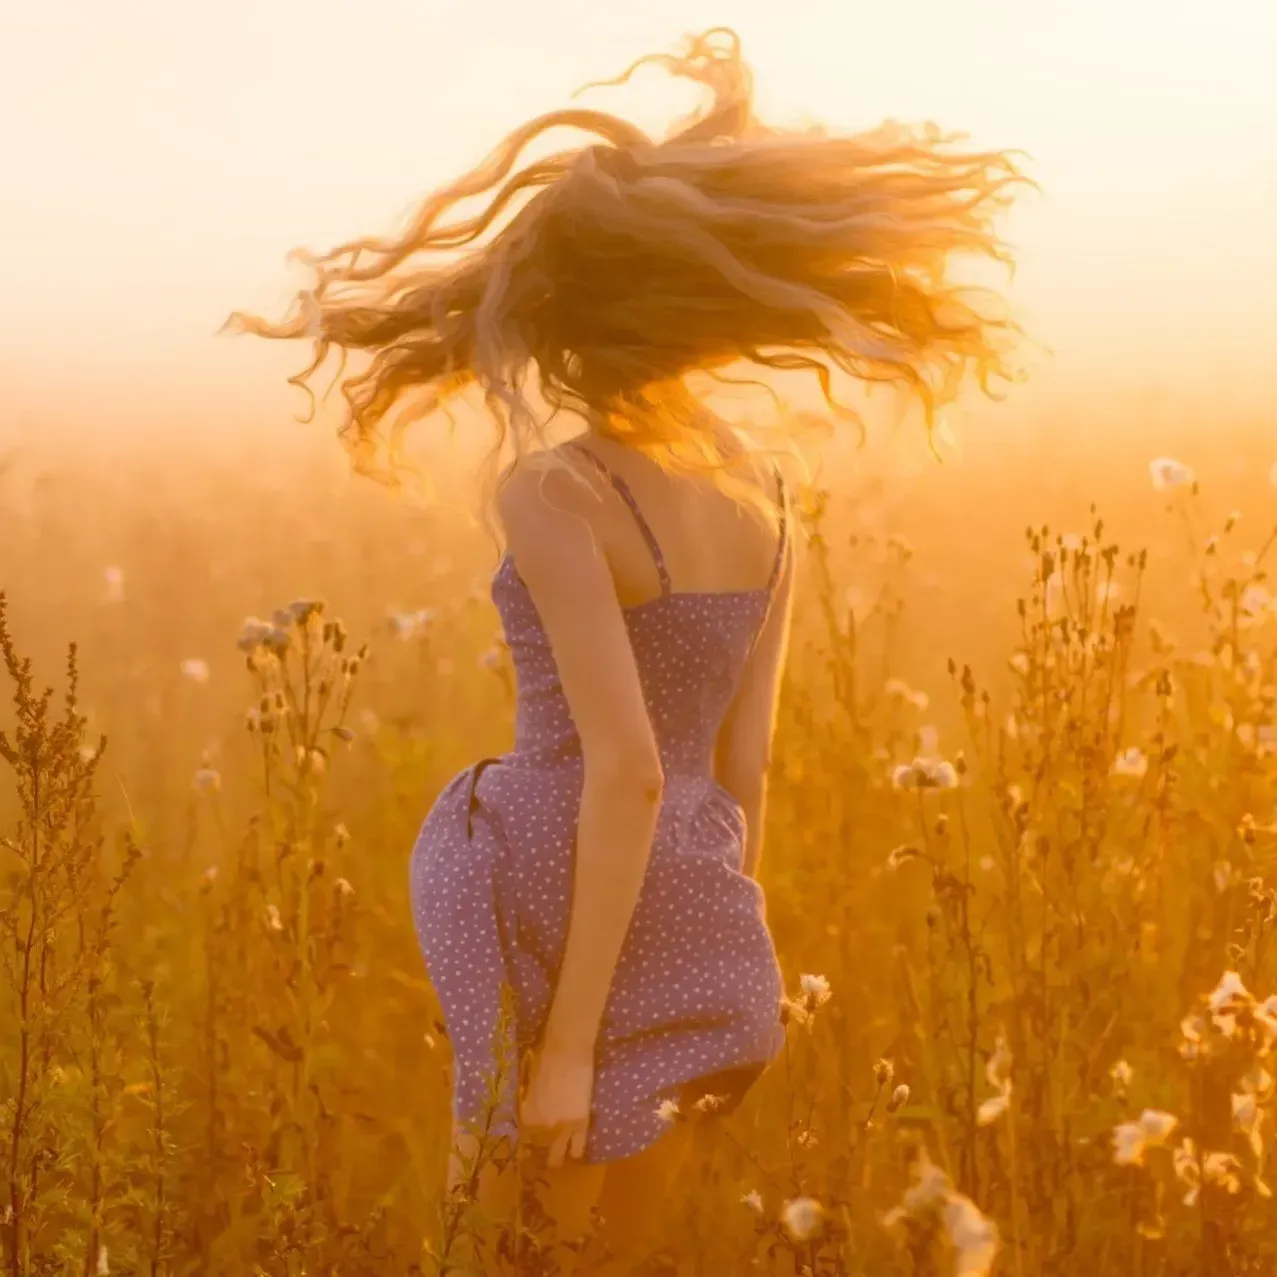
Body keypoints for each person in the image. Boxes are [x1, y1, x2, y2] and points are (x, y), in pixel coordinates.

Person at [225, 26, 1028, 1270]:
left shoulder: (554, 494)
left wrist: (565, 1046)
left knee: (505, 1240)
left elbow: (627, 767)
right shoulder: (765, 489)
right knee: (626, 1243)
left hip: (552, 898)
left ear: (564, 320)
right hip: (698, 895)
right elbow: (739, 761)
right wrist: (711, 922)